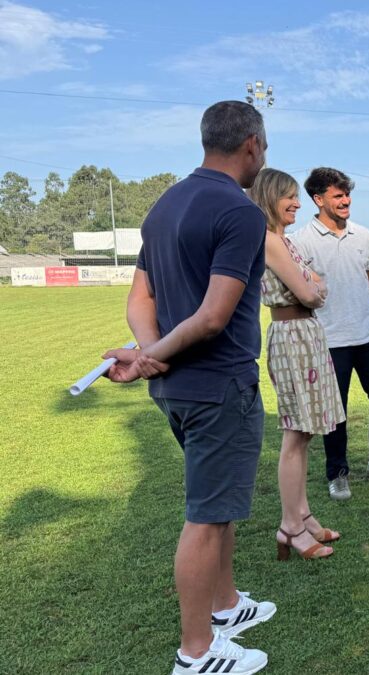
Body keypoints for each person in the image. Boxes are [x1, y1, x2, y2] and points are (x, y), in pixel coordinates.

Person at [104, 100, 276, 675]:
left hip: (177, 388)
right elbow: (212, 317)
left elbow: (139, 301)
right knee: (205, 516)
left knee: (219, 503)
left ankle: (226, 607)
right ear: (252, 143)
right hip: (218, 384)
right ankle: (196, 652)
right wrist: (151, 355)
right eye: (265, 146)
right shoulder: (242, 212)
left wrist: (150, 355)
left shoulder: (163, 206)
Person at [249, 168, 346, 560]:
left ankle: (302, 515)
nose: (297, 203)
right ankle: (290, 527)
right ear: (271, 197)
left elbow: (317, 284)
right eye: (289, 196)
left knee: (305, 433)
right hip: (291, 336)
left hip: (305, 334)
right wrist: (313, 289)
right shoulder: (270, 240)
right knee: (295, 434)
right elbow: (310, 289)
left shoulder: (284, 241)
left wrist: (314, 288)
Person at [290, 167, 369, 499]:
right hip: (328, 340)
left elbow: (367, 281)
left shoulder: (364, 236)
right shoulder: (300, 241)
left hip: (368, 335)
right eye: (338, 195)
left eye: (347, 194)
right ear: (318, 199)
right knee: (333, 410)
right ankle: (337, 472)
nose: (346, 200)